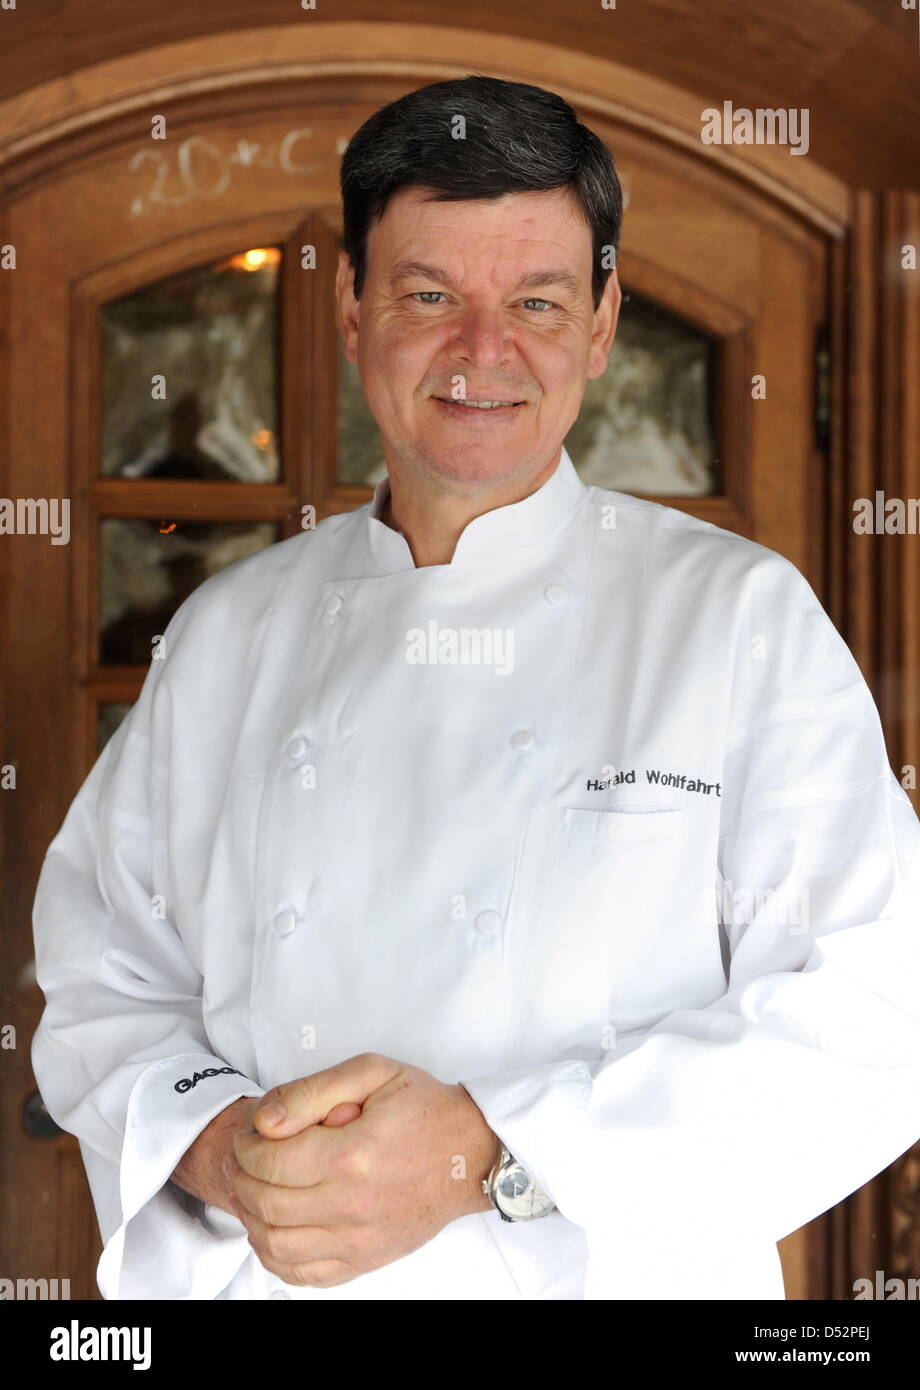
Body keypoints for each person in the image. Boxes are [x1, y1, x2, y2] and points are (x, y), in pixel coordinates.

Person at [31, 75, 920, 1301]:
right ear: (350, 310)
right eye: (429, 294)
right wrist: (219, 1151)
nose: (482, 353)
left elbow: (876, 1014)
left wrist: (484, 1154)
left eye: (538, 300)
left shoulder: (736, 620)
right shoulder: (231, 632)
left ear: (602, 323)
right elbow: (99, 974)